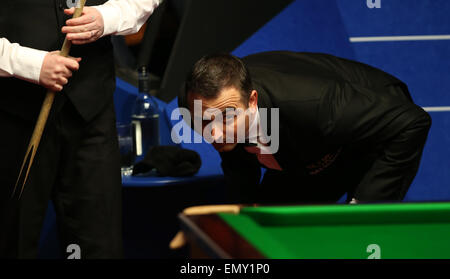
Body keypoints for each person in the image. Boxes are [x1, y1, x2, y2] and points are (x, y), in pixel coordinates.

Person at [0, 0, 161, 258]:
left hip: (91, 110)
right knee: (12, 244)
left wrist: (107, 17)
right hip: (13, 116)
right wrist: (27, 63)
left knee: (99, 245)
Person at [178, 51, 431, 205]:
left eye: (226, 117)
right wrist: (243, 205)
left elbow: (411, 121)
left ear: (252, 100)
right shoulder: (198, 101)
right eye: (205, 120)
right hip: (300, 141)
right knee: (263, 219)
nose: (215, 133)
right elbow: (235, 155)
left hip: (374, 125)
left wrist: (363, 205)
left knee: (359, 229)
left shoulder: (316, 106)